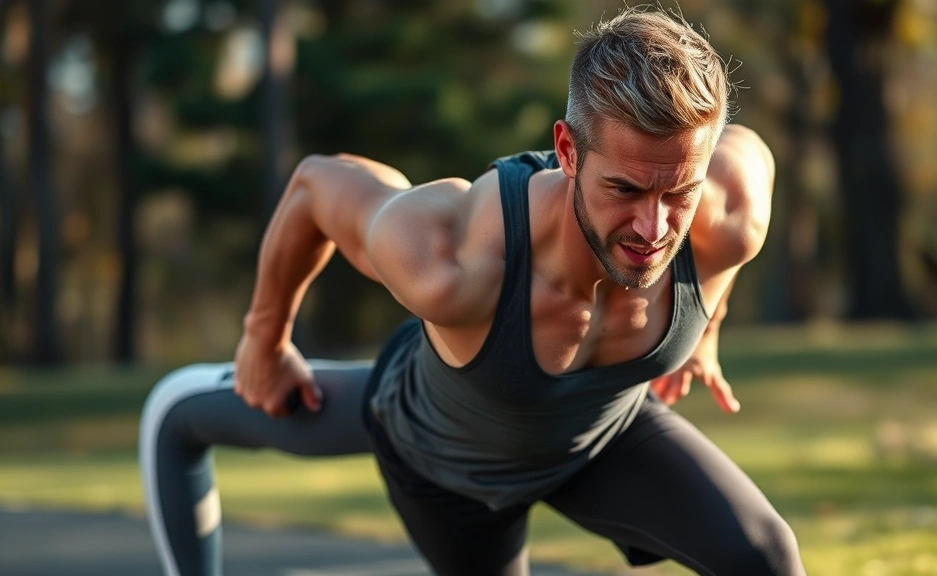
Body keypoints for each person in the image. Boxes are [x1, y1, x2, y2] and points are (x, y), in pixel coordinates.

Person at [139, 5, 805, 575]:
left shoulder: (731, 213)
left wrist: (705, 328)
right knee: (180, 419)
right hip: (443, 465)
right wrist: (264, 336)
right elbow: (317, 185)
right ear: (568, 152)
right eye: (625, 189)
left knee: (767, 558)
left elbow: (752, 154)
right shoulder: (455, 258)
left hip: (598, 436)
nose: (653, 228)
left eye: (677, 192)